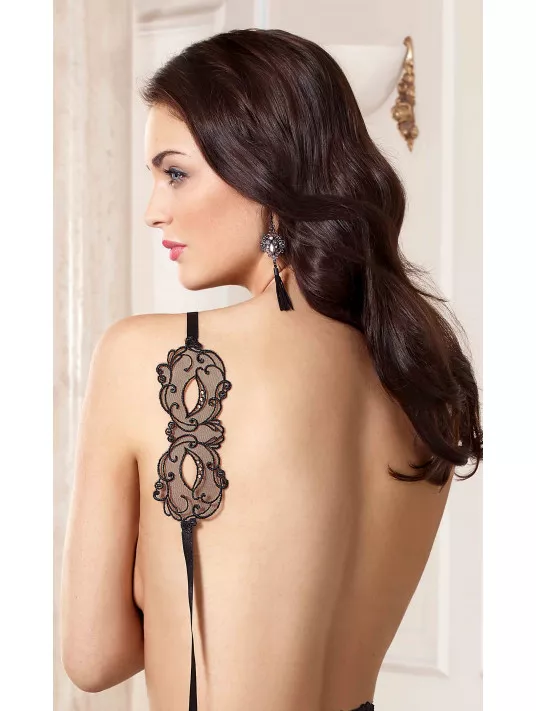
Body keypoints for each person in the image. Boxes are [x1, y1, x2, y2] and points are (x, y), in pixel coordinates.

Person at [60, 27, 483, 711]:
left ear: (267, 170)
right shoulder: (422, 371)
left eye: (175, 172)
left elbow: (93, 656)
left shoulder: (152, 358)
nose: (153, 211)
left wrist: (154, 581)